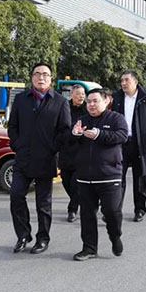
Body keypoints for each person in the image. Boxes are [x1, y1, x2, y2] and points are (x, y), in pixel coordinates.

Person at [7, 63, 71, 254]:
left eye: (45, 74)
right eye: (37, 74)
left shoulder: (60, 102)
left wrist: (53, 148)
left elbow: (65, 131)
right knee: (16, 195)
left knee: (43, 203)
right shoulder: (21, 99)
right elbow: (13, 126)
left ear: (51, 79)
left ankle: (43, 238)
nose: (41, 77)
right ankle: (23, 235)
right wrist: (17, 145)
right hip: (23, 158)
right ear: (32, 77)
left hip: (45, 159)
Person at [70, 88, 128, 261]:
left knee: (111, 211)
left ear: (106, 101)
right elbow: (69, 142)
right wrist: (74, 134)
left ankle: (115, 236)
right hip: (85, 176)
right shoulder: (82, 120)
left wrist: (99, 134)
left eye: (95, 101)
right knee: (87, 214)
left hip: (109, 175)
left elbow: (122, 136)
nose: (91, 105)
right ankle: (89, 248)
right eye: (89, 102)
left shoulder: (116, 118)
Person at [112, 70, 146, 223]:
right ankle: (115, 211)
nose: (123, 83)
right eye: (122, 80)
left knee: (140, 178)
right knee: (117, 177)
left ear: (135, 81)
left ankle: (139, 209)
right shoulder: (117, 97)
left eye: (127, 80)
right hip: (121, 143)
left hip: (141, 143)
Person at [58, 84, 88, 222]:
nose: (81, 96)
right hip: (66, 151)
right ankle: (80, 200)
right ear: (71, 95)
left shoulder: (87, 109)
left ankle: (72, 209)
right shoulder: (64, 107)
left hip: (81, 151)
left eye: (83, 94)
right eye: (78, 94)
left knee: (75, 183)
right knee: (66, 181)